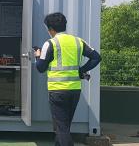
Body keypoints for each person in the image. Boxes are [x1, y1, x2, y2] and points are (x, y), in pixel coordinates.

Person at [34, 12, 101, 146]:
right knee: (63, 127)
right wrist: (81, 70)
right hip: (74, 90)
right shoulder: (78, 41)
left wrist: (38, 55)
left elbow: (40, 68)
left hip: (57, 91)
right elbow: (96, 57)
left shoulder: (50, 43)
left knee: (61, 128)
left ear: (51, 29)